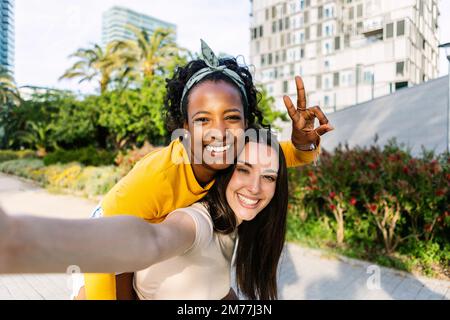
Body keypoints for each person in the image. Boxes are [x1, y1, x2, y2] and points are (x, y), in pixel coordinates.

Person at [76, 40, 334, 299]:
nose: (219, 132)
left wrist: (303, 143)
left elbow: (281, 157)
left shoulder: (234, 151)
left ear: (245, 125)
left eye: (231, 117)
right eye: (202, 120)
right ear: (185, 127)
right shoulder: (158, 177)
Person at [0, 130, 287, 300]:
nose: (254, 187)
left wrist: (304, 149)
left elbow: (216, 289)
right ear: (226, 169)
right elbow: (152, 241)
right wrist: (20, 240)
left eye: (269, 177)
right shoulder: (196, 222)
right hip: (99, 271)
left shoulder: (234, 223)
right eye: (243, 169)